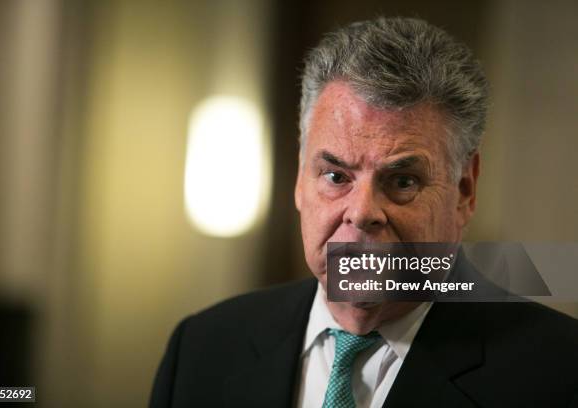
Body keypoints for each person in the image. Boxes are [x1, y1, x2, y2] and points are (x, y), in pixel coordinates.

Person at [150, 17, 578, 407]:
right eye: (336, 177)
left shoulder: (559, 372)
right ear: (300, 179)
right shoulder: (203, 347)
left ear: (464, 190)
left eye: (403, 181)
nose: (362, 212)